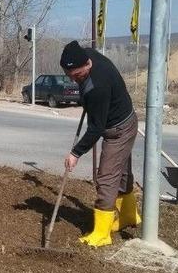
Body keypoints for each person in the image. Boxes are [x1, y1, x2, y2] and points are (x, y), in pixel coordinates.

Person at [60, 41, 141, 247]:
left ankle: (101, 233)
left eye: (77, 76)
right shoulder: (85, 55)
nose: (73, 80)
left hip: (119, 129)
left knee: (106, 177)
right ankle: (129, 215)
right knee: (121, 172)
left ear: (88, 64)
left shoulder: (98, 88)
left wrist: (75, 153)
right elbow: (85, 89)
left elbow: (95, 128)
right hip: (123, 118)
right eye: (69, 75)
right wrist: (83, 96)